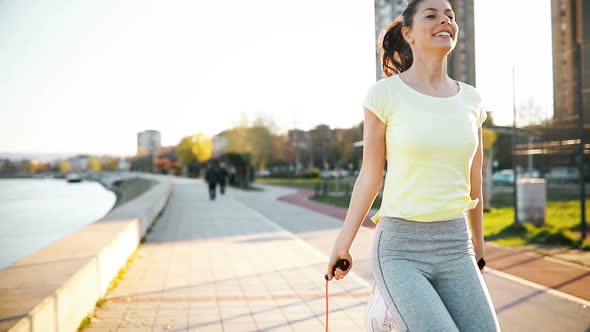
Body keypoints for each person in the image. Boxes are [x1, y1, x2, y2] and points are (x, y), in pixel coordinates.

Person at [325, 0, 501, 331]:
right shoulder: (384, 95)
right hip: (399, 250)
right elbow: (370, 176)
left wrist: (478, 245)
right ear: (409, 34)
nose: (444, 20)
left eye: (450, 15)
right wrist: (342, 243)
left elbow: (473, 180)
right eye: (431, 15)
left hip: (455, 246)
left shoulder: (472, 101)